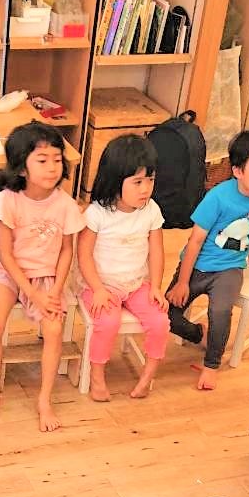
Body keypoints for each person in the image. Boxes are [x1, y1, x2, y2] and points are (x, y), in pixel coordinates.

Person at [0, 122, 87, 432]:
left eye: (56, 159)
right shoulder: (8, 201)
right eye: (42, 160)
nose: (52, 167)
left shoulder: (65, 205)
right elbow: (8, 256)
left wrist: (54, 288)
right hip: (11, 274)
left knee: (53, 330)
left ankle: (44, 399)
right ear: (22, 167)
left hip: (48, 277)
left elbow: (67, 250)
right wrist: (32, 293)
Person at [166, 125, 249, 391]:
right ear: (238, 171)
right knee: (166, 316)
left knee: (220, 312)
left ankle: (212, 364)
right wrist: (183, 282)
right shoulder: (218, 197)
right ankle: (200, 334)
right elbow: (194, 241)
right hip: (196, 265)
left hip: (229, 269)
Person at [77, 134, 171, 402]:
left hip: (136, 284)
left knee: (160, 321)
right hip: (100, 285)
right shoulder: (97, 213)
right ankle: (97, 376)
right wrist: (96, 288)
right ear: (115, 180)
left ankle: (147, 376)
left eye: (150, 180)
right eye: (137, 182)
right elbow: (83, 254)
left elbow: (157, 252)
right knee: (108, 322)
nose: (146, 189)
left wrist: (156, 287)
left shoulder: (151, 210)